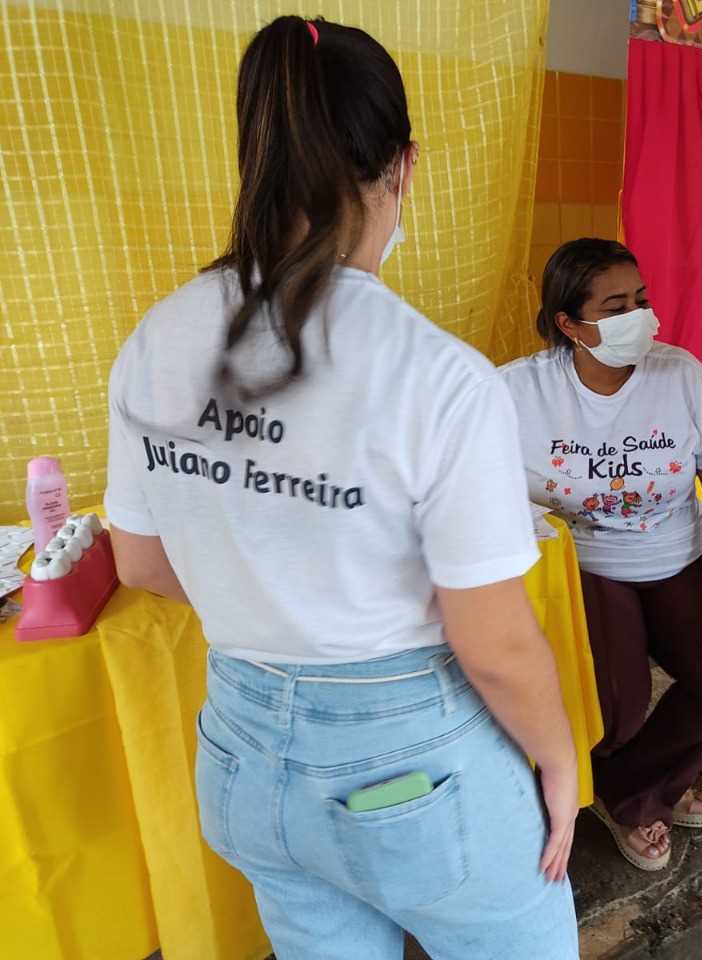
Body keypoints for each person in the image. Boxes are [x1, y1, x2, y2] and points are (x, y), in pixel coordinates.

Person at [105, 17, 579, 959]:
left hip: (241, 753)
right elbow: (491, 640)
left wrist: (276, 599)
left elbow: (142, 565)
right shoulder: (440, 377)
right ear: (404, 167)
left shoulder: (156, 338)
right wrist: (559, 757)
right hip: (410, 766)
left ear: (257, 155)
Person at [500, 238, 702, 871]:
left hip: (683, 555)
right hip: (585, 567)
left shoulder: (681, 378)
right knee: (613, 712)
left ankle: (627, 793)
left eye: (641, 300)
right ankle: (646, 784)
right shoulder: (517, 392)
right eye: (615, 307)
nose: (639, 317)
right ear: (569, 324)